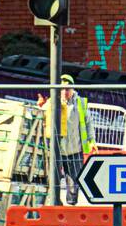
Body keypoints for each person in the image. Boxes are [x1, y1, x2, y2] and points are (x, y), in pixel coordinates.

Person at [41, 75, 96, 205]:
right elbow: (41, 116)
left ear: (73, 89)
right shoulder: (52, 102)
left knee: (74, 182)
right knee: (53, 179)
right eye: (62, 89)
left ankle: (71, 205)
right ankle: (54, 203)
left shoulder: (80, 103)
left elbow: (88, 123)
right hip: (57, 150)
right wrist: (40, 106)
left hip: (74, 150)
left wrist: (92, 140)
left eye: (68, 89)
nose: (65, 92)